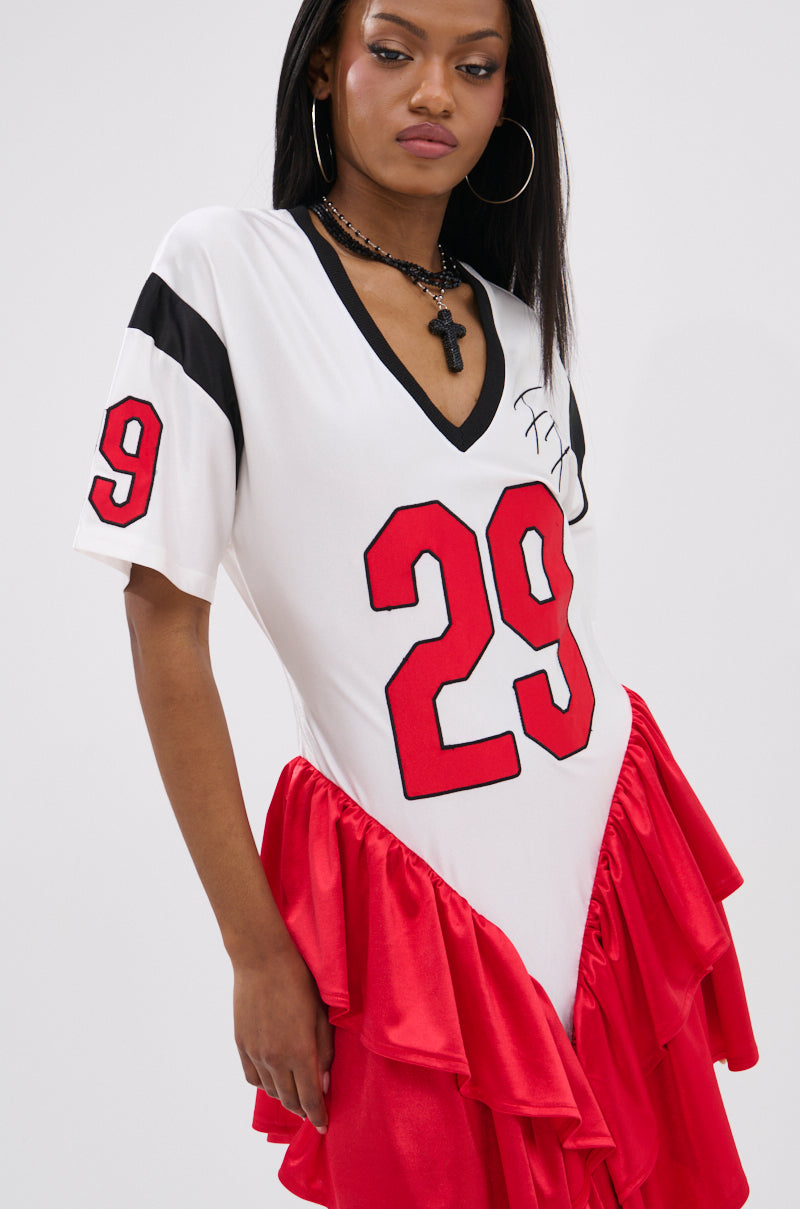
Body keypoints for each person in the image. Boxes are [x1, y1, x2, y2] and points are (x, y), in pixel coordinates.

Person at [74, 1, 758, 1205]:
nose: (433, 92)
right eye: (393, 51)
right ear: (325, 70)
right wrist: (255, 949)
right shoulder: (226, 271)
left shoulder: (528, 326)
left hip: (602, 873)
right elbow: (162, 615)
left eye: (475, 65)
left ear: (510, 105)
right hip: (416, 920)